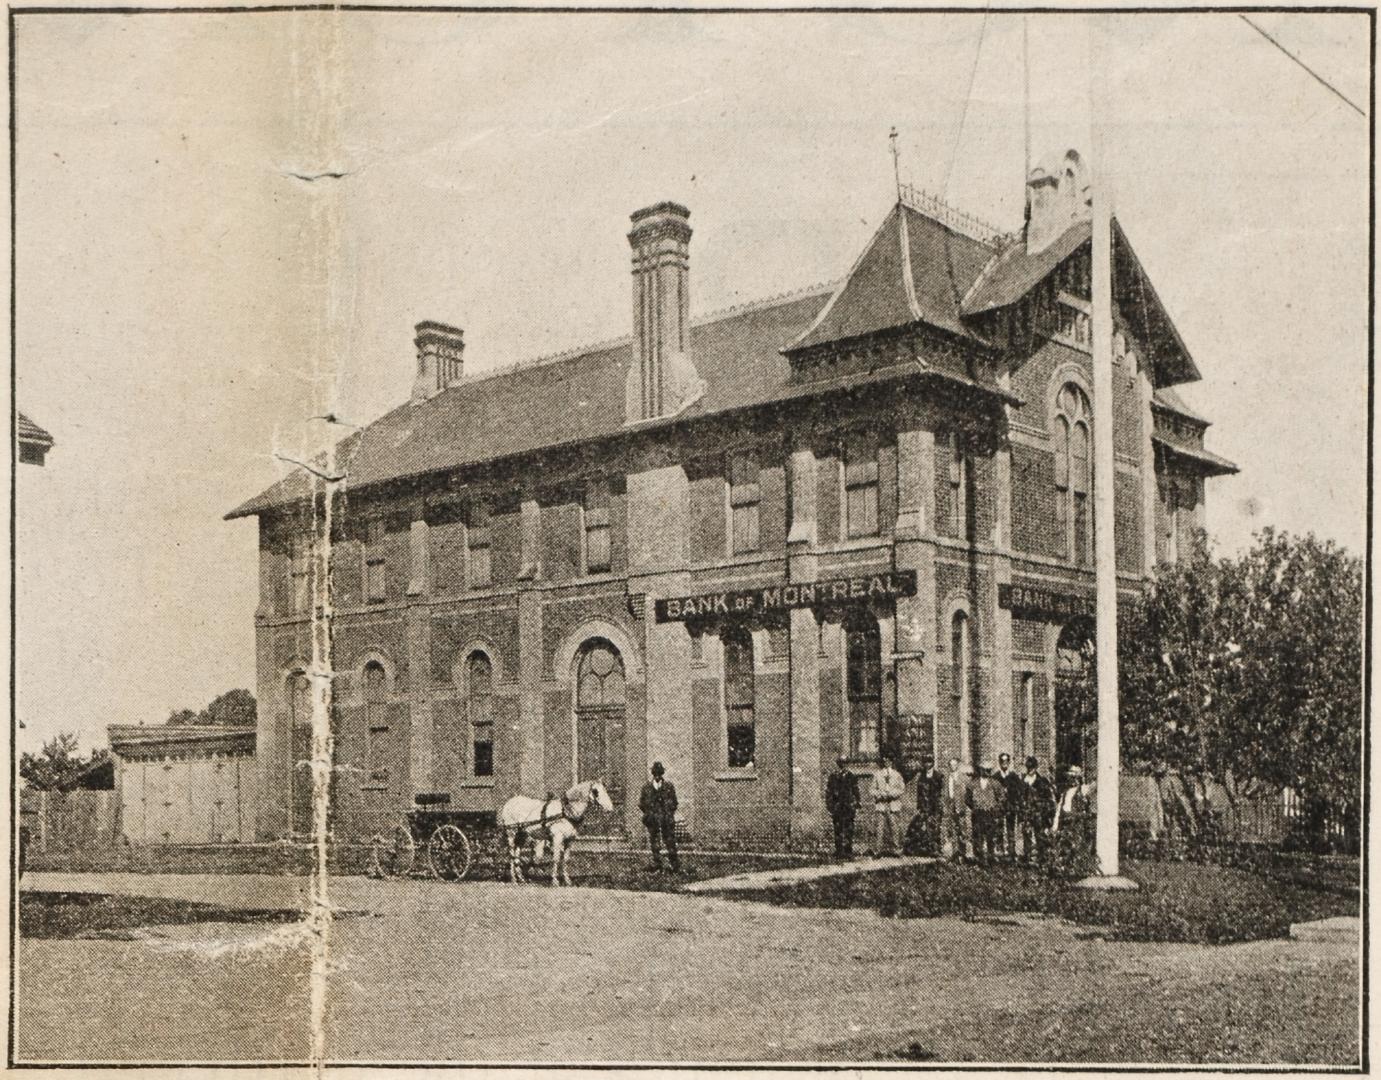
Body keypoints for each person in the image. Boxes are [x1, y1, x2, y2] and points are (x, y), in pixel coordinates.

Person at [639, 761, 680, 872]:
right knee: (654, 841)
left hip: (666, 818)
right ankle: (657, 863)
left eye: (659, 774)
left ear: (662, 774)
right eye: (655, 774)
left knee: (670, 840)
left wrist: (668, 812)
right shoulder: (646, 787)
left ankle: (674, 864)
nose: (657, 776)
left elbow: (674, 802)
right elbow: (641, 803)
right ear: (652, 774)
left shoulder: (669, 787)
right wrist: (649, 813)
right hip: (652, 818)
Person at [1019, 755, 1056, 863]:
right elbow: (1020, 797)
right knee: (1026, 833)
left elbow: (1048, 798)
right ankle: (1027, 855)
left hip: (1039, 812)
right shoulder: (1023, 781)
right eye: (1028, 768)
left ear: (1036, 768)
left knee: (1039, 834)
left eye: (1032, 767)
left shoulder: (1042, 781)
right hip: (1026, 811)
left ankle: (1041, 856)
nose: (1030, 770)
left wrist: (1045, 812)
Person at [968, 761, 1006, 866]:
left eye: (989, 770)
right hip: (978, 814)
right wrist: (975, 807)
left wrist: (995, 809)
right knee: (978, 837)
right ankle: (980, 859)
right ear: (980, 770)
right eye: (985, 770)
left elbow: (1002, 798)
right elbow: (968, 799)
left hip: (990, 814)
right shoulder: (973, 784)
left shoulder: (995, 784)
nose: (987, 772)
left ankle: (990, 858)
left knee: (990, 837)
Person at [825, 756, 860, 858]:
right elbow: (829, 792)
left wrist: (856, 802)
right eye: (841, 763)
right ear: (838, 764)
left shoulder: (851, 776)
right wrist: (830, 805)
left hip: (848, 806)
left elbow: (856, 791)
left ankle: (848, 850)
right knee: (838, 828)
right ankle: (839, 850)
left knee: (849, 828)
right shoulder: (833, 776)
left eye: (845, 763)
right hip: (837, 806)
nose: (843, 765)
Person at [870, 757, 905, 856]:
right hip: (881, 804)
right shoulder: (878, 774)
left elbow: (901, 789)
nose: (887, 763)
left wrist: (892, 794)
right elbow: (872, 789)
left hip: (893, 804)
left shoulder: (897, 774)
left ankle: (896, 850)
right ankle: (878, 850)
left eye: (889, 761)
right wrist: (880, 794)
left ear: (892, 762)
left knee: (894, 827)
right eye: (885, 761)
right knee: (879, 828)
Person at [994, 752, 1024, 860]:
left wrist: (1014, 798)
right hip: (999, 807)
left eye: (1006, 761)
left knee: (1011, 828)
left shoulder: (1014, 776)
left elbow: (1020, 790)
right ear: (999, 763)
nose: (1004, 763)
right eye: (1002, 761)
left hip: (1010, 806)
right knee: (999, 828)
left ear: (1009, 762)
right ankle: (1000, 850)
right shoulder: (996, 776)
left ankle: (1011, 850)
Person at [913, 757, 944, 855]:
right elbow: (919, 793)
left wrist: (940, 804)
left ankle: (936, 849)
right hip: (924, 806)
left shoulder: (939, 776)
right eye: (925, 762)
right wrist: (919, 805)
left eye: (929, 762)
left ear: (933, 763)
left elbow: (942, 792)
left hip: (935, 806)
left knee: (936, 827)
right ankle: (928, 849)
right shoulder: (921, 776)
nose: (927, 764)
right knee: (925, 827)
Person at [941, 757, 969, 862]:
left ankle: (963, 853)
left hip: (960, 805)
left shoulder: (963, 777)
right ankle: (954, 852)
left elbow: (966, 792)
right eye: (950, 765)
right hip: (950, 805)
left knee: (962, 829)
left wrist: (963, 805)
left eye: (954, 764)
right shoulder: (946, 777)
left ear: (957, 765)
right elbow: (944, 792)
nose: (952, 766)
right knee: (952, 829)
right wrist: (945, 805)